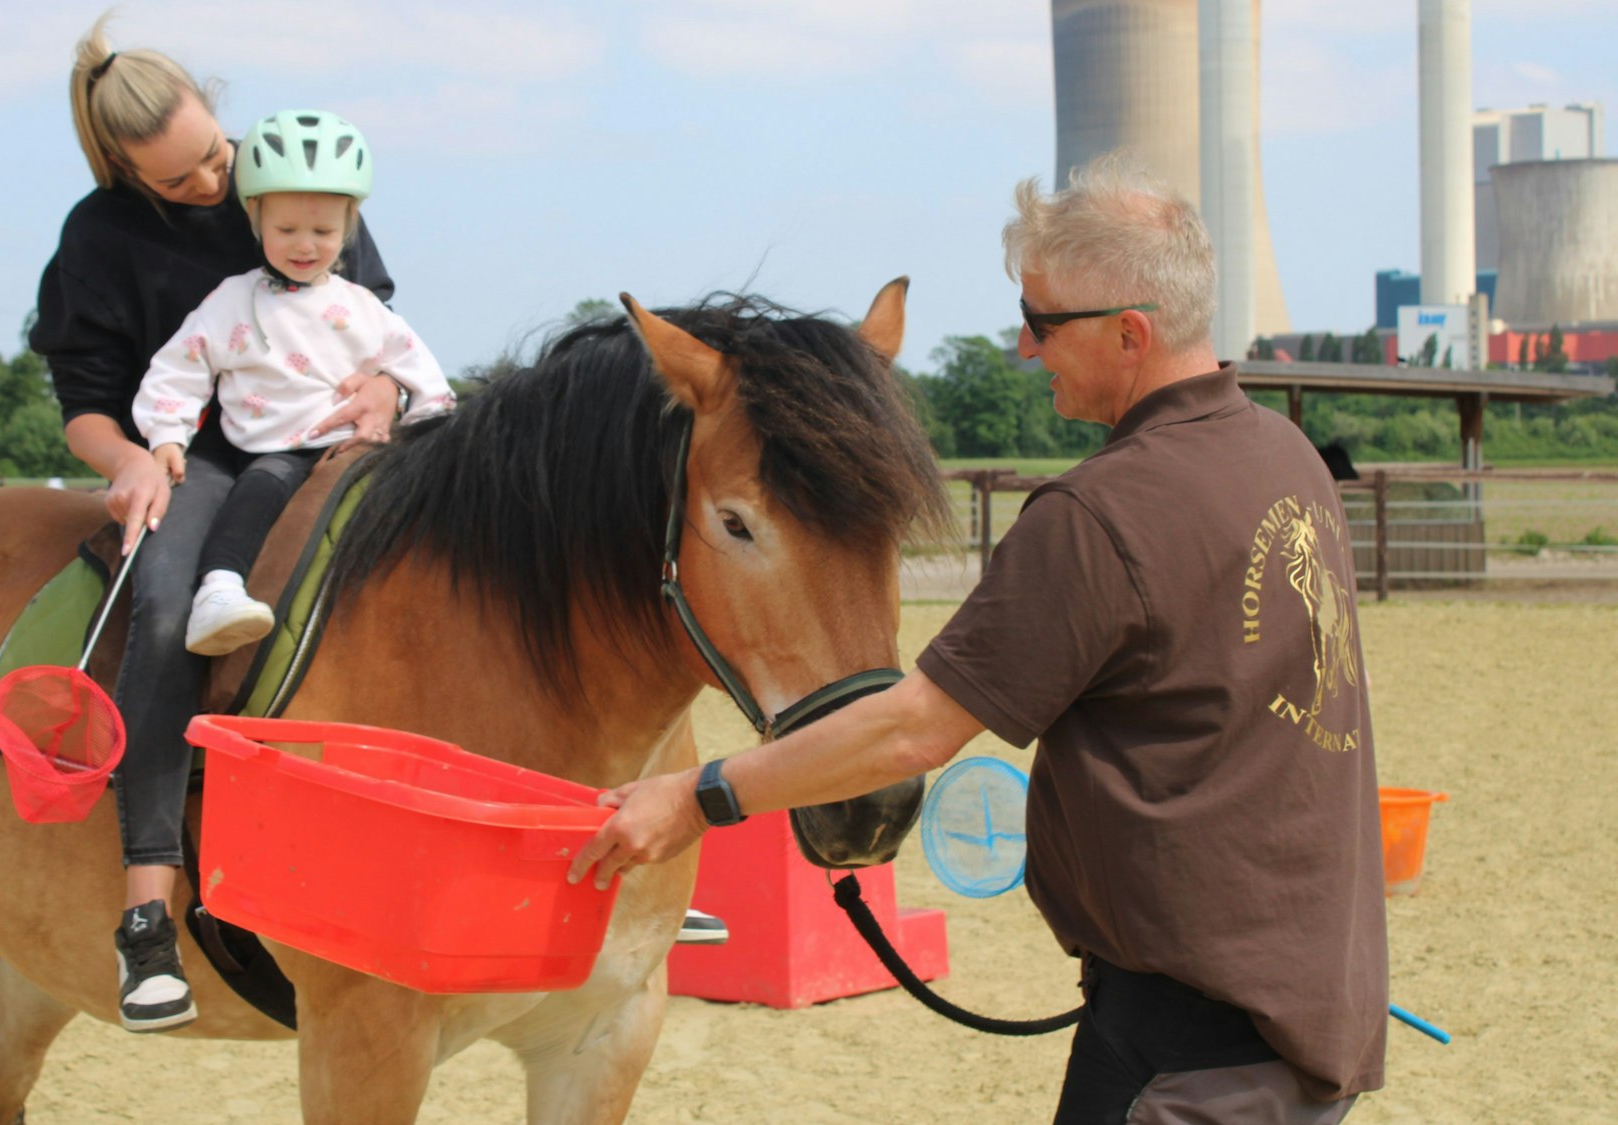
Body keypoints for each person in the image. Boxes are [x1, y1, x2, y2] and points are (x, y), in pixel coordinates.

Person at [569, 154, 1388, 1122]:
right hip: (1309, 1004)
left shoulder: (1099, 516)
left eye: (1042, 322)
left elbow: (912, 729)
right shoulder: (1283, 454)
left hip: (1186, 1057)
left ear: (1129, 332)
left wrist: (698, 795)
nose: (1025, 348)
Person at [31, 15, 406, 1033]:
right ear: (123, 171)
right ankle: (146, 915)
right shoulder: (100, 238)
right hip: (189, 452)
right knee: (165, 611)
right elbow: (86, 404)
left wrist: (384, 391)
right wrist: (127, 462)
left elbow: (374, 325)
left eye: (214, 156)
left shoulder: (288, 176)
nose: (211, 185)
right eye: (178, 179)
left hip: (323, 436)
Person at [135, 109, 455, 657]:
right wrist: (166, 432)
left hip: (353, 450)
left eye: (323, 232)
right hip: (275, 450)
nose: (304, 245)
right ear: (255, 218)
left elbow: (422, 376)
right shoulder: (233, 301)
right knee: (261, 488)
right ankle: (219, 587)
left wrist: (432, 444)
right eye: (286, 230)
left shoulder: (364, 307)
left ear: (349, 225)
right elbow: (181, 367)